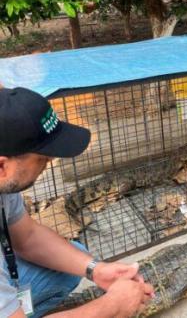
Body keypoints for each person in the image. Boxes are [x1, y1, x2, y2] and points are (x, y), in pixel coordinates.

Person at [0, 87, 154, 318]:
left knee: (76, 259)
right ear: (3, 166)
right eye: (42, 157)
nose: (51, 160)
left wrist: (96, 270)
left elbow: (28, 237)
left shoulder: (5, 183)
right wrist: (112, 306)